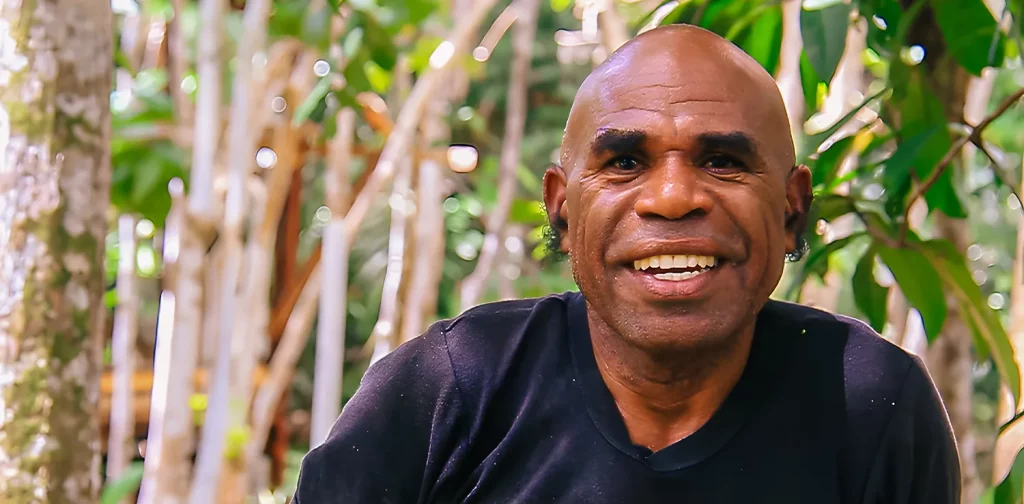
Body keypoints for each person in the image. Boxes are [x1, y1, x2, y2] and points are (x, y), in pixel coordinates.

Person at [293, 24, 960, 503]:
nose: (672, 197)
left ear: (791, 210)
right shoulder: (448, 391)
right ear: (561, 209)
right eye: (625, 162)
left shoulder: (872, 406)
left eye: (722, 161)